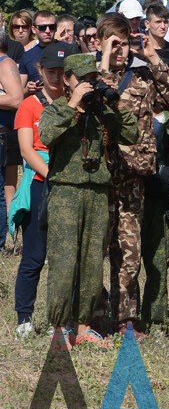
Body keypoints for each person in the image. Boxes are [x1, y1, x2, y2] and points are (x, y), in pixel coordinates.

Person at [40, 52, 139, 347]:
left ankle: (83, 327)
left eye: (92, 79)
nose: (88, 84)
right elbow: (45, 135)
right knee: (64, 261)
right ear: (67, 81)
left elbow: (131, 134)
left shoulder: (100, 112)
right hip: (66, 192)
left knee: (92, 262)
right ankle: (59, 328)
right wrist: (72, 107)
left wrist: (117, 104)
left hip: (97, 193)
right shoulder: (57, 108)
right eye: (82, 79)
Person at [96, 13, 169, 335]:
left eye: (126, 43)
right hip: (101, 180)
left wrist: (151, 56)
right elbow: (97, 98)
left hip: (133, 179)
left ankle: (126, 320)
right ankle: (95, 317)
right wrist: (104, 59)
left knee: (129, 255)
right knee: (97, 252)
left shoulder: (143, 77)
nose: (122, 51)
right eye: (115, 44)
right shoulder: (92, 75)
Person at [10, 41, 68, 339]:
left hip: (70, 188)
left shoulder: (75, 103)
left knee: (65, 257)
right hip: (40, 186)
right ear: (40, 70)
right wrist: (55, 176)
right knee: (34, 255)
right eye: (51, 71)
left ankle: (62, 321)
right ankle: (24, 318)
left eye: (62, 71)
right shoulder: (29, 106)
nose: (56, 77)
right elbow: (26, 150)